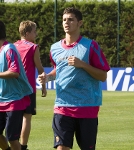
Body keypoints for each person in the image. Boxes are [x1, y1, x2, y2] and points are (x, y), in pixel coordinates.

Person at [38, 7, 110, 150]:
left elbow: (103, 76)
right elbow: (59, 70)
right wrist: (48, 77)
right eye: (64, 20)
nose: (67, 22)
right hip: (62, 106)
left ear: (80, 23)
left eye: (71, 19)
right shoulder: (54, 48)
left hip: (87, 106)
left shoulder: (91, 46)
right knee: (61, 148)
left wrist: (82, 65)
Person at [0, 20, 33, 150]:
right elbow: (1, 75)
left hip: (13, 101)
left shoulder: (9, 49)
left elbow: (14, 72)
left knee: (12, 138)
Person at [14, 20, 47, 150]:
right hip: (28, 89)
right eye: (34, 31)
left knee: (14, 117)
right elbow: (39, 68)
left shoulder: (12, 46)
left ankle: (14, 144)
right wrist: (43, 86)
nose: (36, 34)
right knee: (26, 118)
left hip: (14, 88)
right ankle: (23, 147)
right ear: (27, 33)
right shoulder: (33, 47)